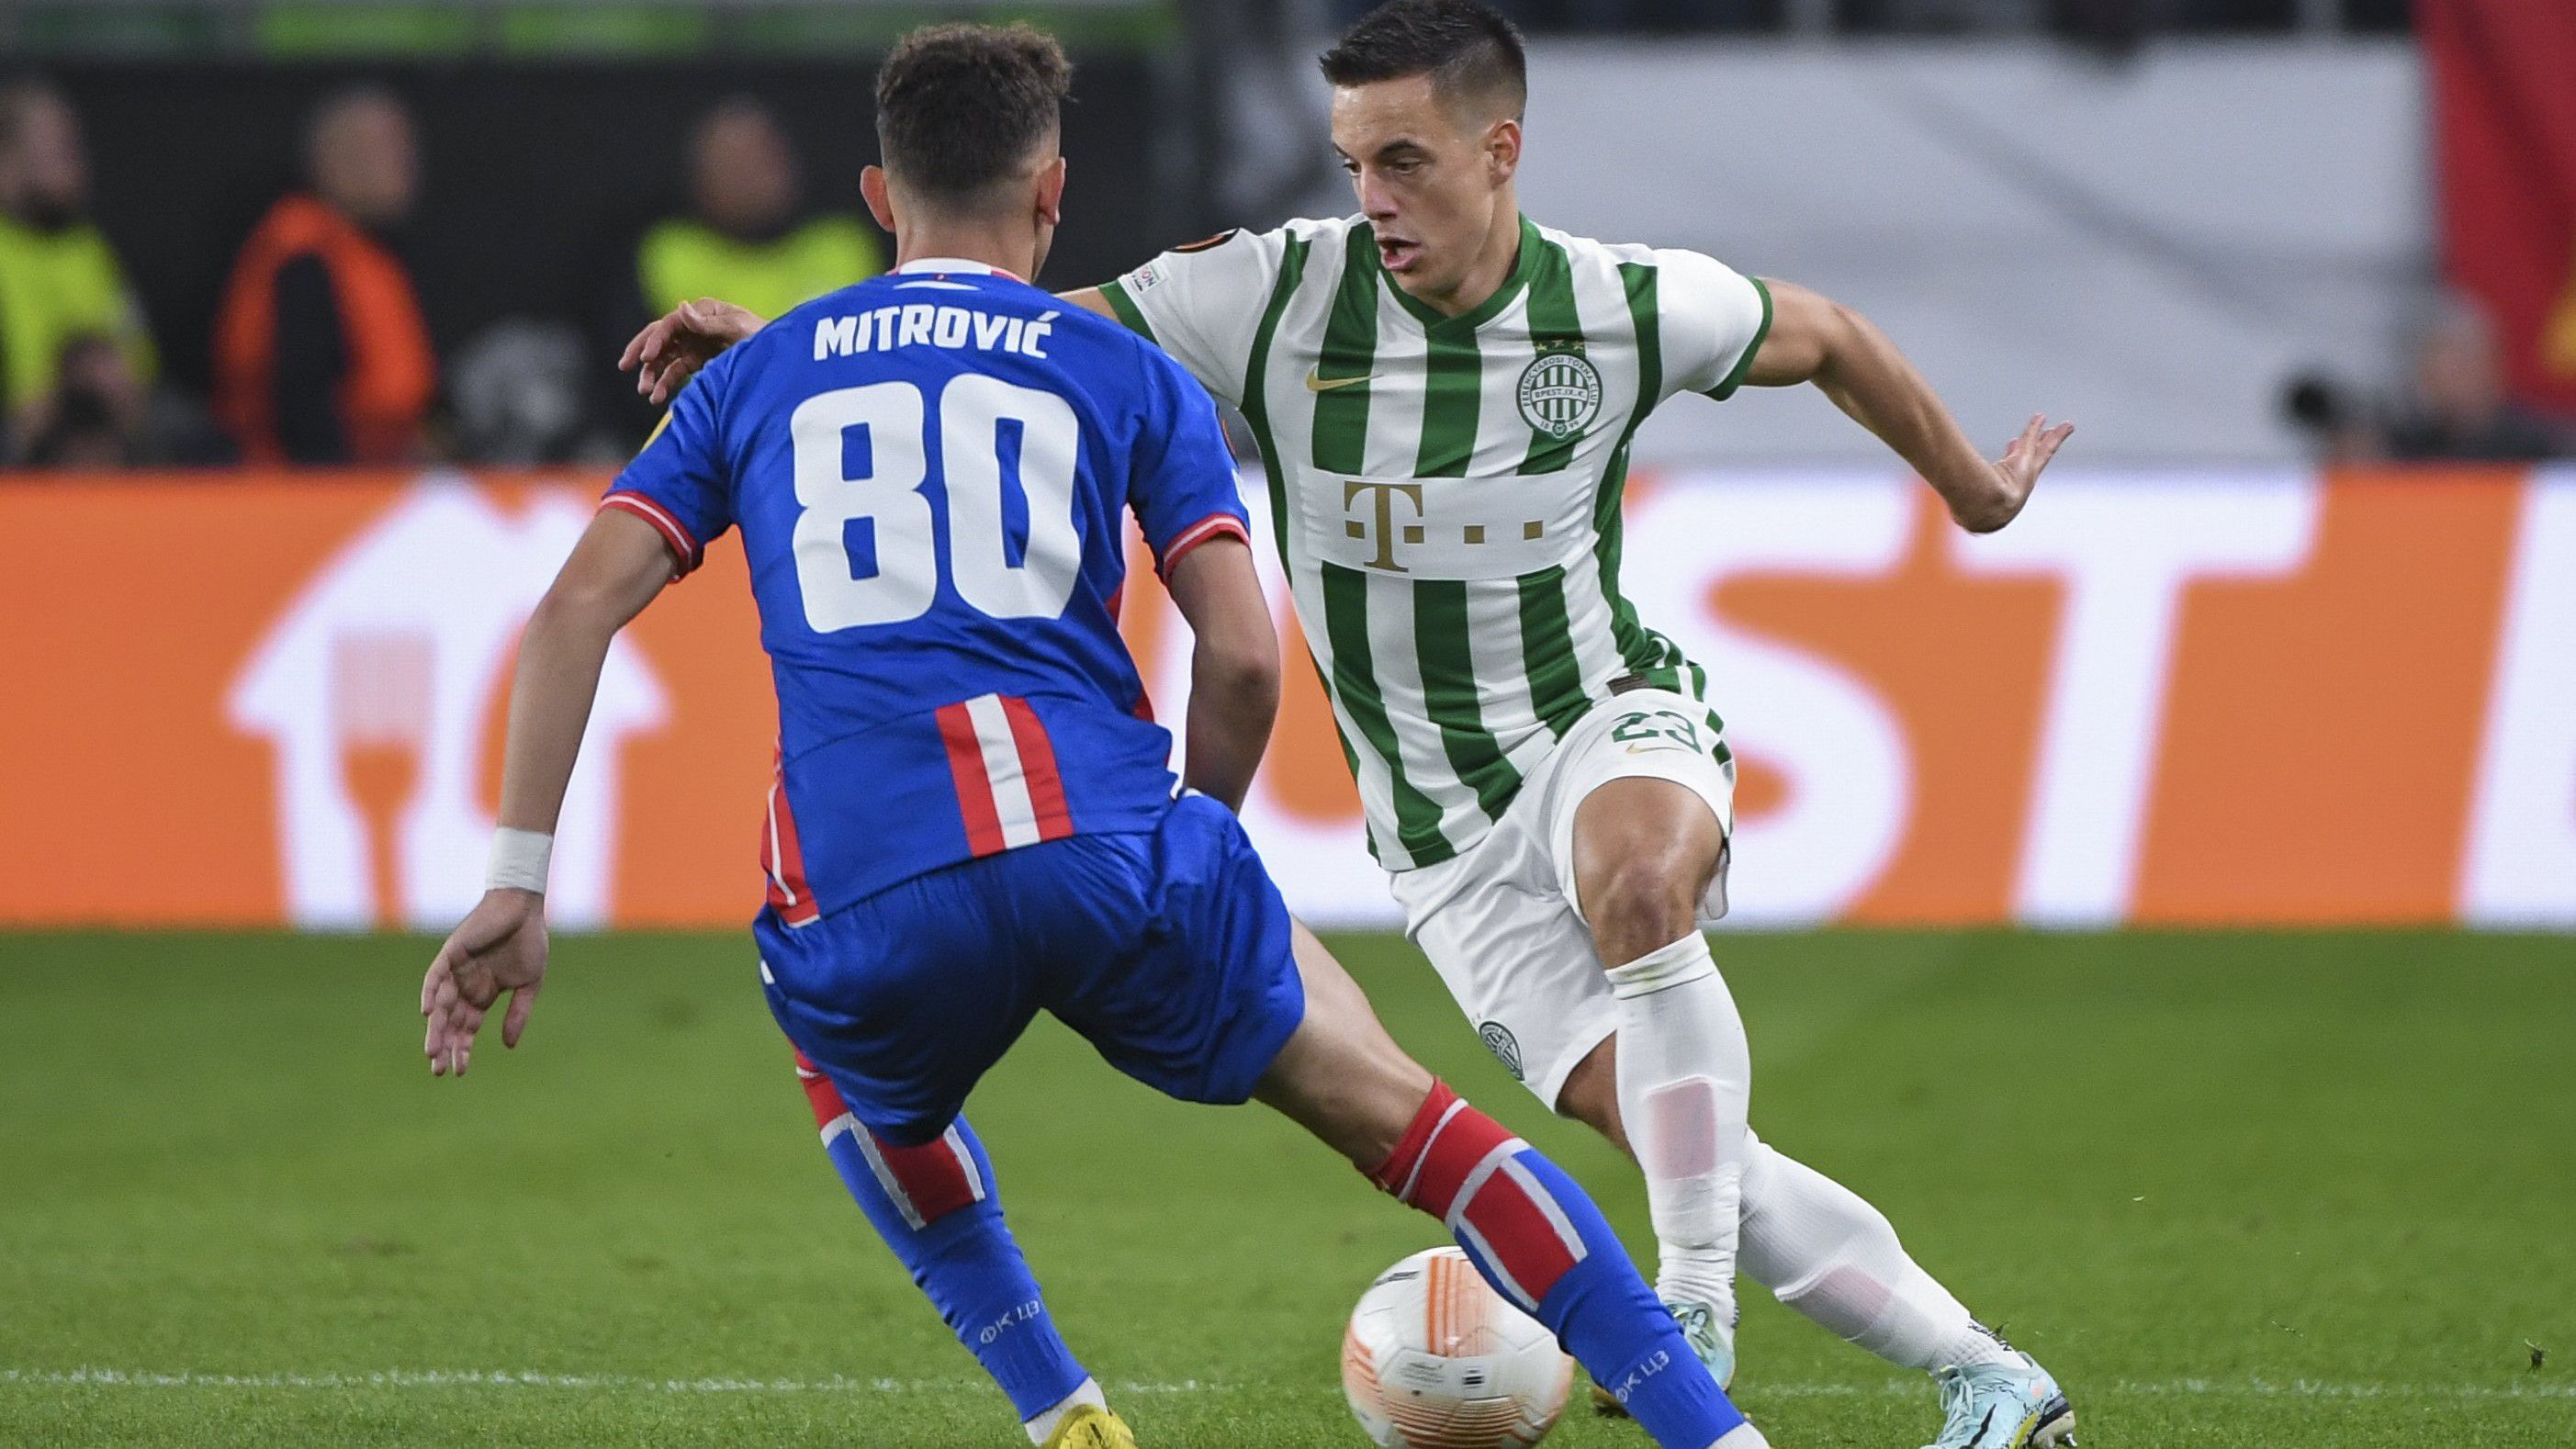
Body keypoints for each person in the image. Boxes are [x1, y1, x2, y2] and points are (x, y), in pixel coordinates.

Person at [625, 6, 2079, 1445]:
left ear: (1498, 150)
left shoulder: (1621, 305)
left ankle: (1690, 1307)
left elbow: (1824, 336)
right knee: (1690, 1139)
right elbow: (987, 337)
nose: (1371, 198)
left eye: (1405, 160)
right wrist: (780, 354)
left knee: (1643, 888)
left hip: (1602, 719)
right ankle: (1987, 1373)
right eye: (1352, 164)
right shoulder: (1269, 298)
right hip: (1444, 836)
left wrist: (1971, 491)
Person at [425, 24, 1769, 1449]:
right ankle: (1711, 1431)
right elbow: (1244, 655)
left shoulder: (758, 377)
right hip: (1112, 841)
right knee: (1413, 1121)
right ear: (1053, 192)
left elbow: (574, 609)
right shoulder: (1122, 370)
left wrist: (517, 878)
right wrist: (1202, 827)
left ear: (879, 198)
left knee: (851, 1067)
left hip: (871, 876)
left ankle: (1060, 1410)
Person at [212, 84, 436, 464]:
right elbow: (301, 399)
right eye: (386, 149)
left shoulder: (367, 250)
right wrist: (336, 488)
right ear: (334, 160)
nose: (407, 163)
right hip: (306, 490)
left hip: (381, 476)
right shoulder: (304, 253)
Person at [0, 79, 156, 461]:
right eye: (54, 149)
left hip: (104, 440)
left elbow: (139, 362)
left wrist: (109, 378)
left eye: (72, 148)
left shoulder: (91, 250)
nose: (73, 161)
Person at [638, 97, 883, 326]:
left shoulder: (842, 244)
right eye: (736, 165)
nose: (757, 175)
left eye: (766, 157)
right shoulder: (672, 255)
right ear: (700, 181)